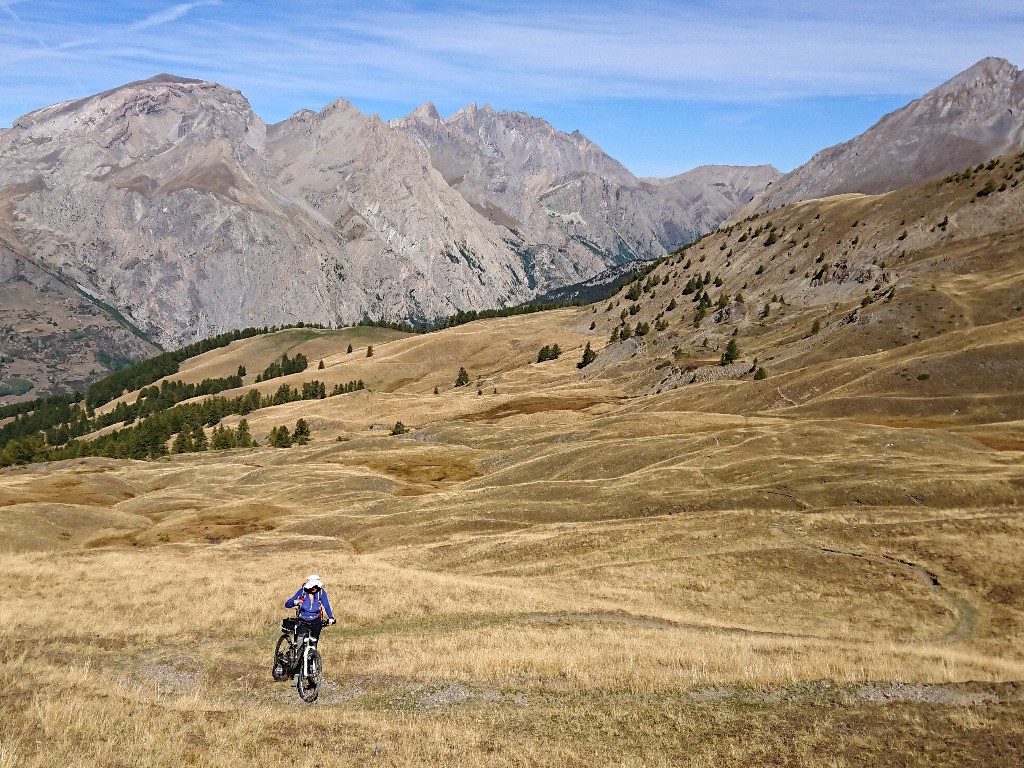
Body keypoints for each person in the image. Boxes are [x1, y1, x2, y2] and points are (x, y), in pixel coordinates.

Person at [284, 574, 336, 684]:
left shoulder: (321, 593)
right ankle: (297, 674)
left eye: (316, 586)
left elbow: (326, 605)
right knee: (299, 646)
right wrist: (295, 602)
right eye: (313, 586)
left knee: (313, 644)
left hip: (316, 621)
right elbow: (287, 604)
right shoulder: (302, 592)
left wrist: (331, 617)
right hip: (303, 621)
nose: (315, 588)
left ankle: (312, 669)